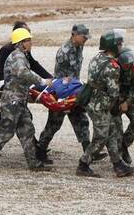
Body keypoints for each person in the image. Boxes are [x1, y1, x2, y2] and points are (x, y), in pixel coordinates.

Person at [0, 28, 53, 173]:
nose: (30, 43)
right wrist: (42, 81)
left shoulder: (20, 55)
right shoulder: (18, 57)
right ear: (21, 43)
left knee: (27, 131)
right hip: (13, 101)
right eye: (28, 40)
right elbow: (23, 72)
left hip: (19, 100)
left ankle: (34, 163)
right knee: (4, 132)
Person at [77, 29, 134, 178]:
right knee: (102, 136)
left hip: (92, 101)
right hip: (99, 105)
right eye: (119, 44)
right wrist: (121, 103)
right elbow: (113, 92)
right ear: (113, 46)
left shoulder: (97, 58)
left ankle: (118, 164)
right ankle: (83, 164)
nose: (121, 47)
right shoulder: (112, 66)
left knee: (111, 132)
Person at [36, 24, 92, 164]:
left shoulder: (79, 46)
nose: (86, 39)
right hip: (62, 92)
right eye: (83, 37)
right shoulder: (64, 52)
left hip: (74, 90)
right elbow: (62, 80)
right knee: (54, 124)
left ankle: (89, 151)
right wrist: (66, 96)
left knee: (81, 120)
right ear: (74, 35)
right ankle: (40, 151)